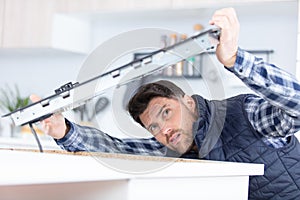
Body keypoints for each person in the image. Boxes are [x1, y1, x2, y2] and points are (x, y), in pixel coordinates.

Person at [31, 8, 300, 199]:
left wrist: (234, 59)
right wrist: (64, 130)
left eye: (166, 113)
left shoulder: (244, 113)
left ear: (188, 102)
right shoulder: (171, 148)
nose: (163, 131)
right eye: (154, 128)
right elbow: (117, 149)